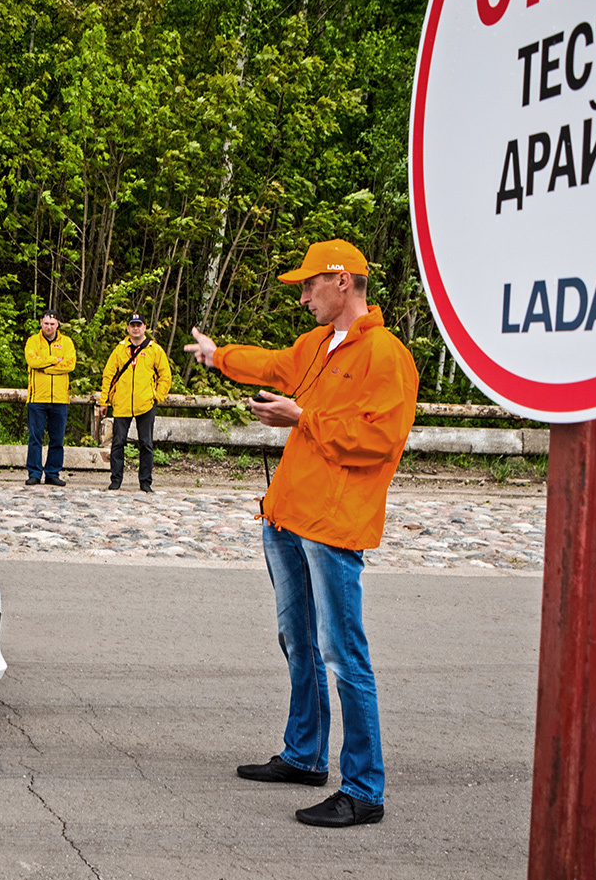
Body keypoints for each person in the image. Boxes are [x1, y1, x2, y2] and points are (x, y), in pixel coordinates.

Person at [184, 239, 417, 829]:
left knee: (343, 654)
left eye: (310, 285)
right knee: (298, 642)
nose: (304, 295)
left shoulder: (386, 355)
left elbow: (380, 440)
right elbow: (271, 365)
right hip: (287, 516)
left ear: (343, 281)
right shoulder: (316, 345)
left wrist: (302, 417)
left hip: (333, 525)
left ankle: (364, 788)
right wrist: (218, 358)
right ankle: (305, 755)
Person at [98, 314, 171, 492]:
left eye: (139, 325)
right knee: (118, 443)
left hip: (145, 403)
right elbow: (109, 374)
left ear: (145, 327)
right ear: (128, 328)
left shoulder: (155, 350)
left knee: (146, 443)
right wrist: (104, 400)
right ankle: (116, 480)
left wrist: (157, 396)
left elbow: (165, 375)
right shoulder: (120, 350)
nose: (136, 328)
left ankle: (145, 482)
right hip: (122, 402)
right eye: (133, 325)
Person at [23, 311, 75, 488]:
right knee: (35, 437)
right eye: (46, 323)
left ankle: (52, 473)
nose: (49, 327)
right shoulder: (33, 341)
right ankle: (34, 473)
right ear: (41, 323)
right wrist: (54, 360)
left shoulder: (66, 342)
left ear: (58, 324)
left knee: (57, 439)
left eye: (52, 324)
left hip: (60, 398)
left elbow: (70, 364)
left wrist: (46, 367)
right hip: (37, 397)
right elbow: (32, 362)